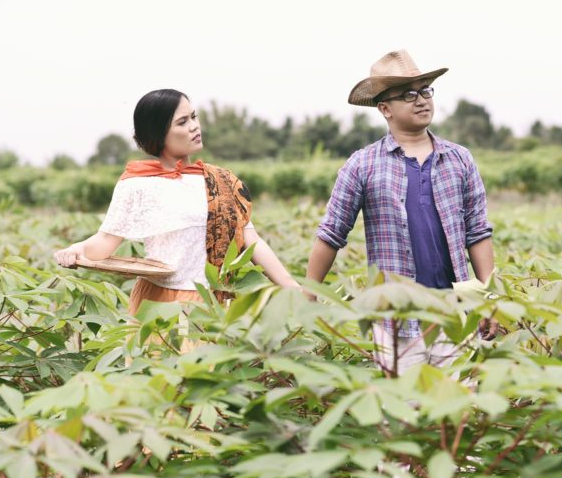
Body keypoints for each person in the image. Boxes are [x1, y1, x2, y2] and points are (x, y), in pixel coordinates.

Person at [307, 50, 496, 373]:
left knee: (460, 410)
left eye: (425, 91)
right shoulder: (362, 165)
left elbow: (478, 233)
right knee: (406, 415)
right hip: (394, 317)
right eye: (408, 94)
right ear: (385, 109)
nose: (421, 100)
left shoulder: (459, 159)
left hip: (456, 310)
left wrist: (488, 300)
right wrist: (307, 296)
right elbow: (331, 234)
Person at [54, 88, 299, 314]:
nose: (194, 126)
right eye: (182, 122)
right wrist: (76, 250)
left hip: (213, 298)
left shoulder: (220, 180)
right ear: (158, 134)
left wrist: (293, 288)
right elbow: (106, 240)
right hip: (159, 300)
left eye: (194, 116)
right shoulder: (137, 183)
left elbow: (250, 239)